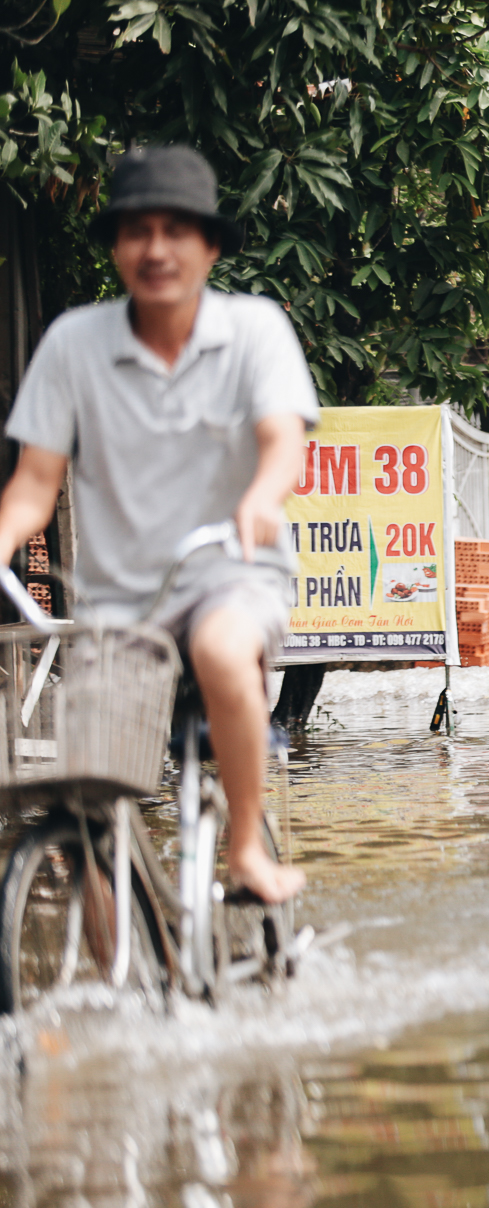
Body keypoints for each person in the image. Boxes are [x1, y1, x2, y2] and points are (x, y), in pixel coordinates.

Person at [0, 145, 315, 903]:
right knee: (87, 804)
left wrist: (261, 497)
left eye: (177, 230)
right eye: (137, 231)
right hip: (120, 606)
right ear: (115, 246)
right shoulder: (74, 344)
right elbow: (32, 487)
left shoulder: (255, 330)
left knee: (220, 645)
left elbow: (283, 446)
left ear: (208, 246)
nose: (156, 249)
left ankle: (244, 849)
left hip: (232, 571)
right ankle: (116, 970)